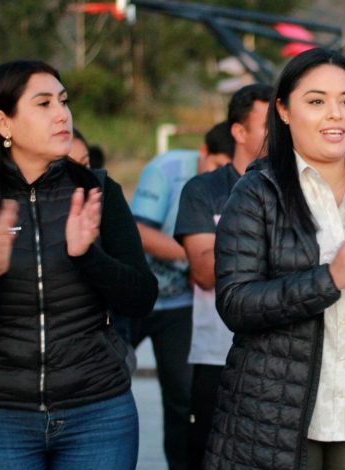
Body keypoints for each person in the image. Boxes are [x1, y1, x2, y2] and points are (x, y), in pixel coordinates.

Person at [204, 48, 345, 470]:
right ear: (284, 111)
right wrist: (329, 278)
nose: (336, 115)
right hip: (274, 420)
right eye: (316, 101)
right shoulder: (257, 192)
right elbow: (236, 302)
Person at [0, 60, 157, 469]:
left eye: (63, 101)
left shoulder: (97, 190)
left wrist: (88, 257)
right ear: (3, 122)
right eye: (43, 104)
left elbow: (141, 298)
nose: (62, 114)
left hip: (98, 411)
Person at [174, 84, 271, 470]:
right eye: (267, 125)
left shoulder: (303, 188)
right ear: (239, 132)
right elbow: (204, 272)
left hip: (288, 361)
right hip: (218, 358)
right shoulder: (205, 190)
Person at [131, 145, 200, 469]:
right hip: (134, 298)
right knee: (106, 384)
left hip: (178, 304)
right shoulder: (168, 169)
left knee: (182, 399)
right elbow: (139, 230)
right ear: (205, 152)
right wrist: (191, 259)